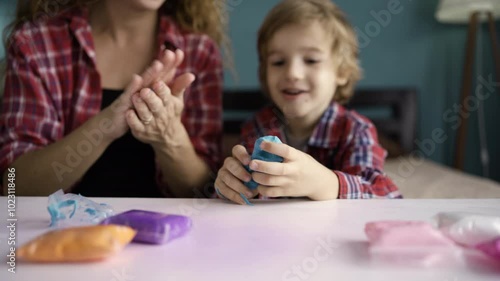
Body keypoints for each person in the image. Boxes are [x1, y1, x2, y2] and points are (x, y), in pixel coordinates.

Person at [0, 0, 228, 197]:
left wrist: (169, 137)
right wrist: (107, 125)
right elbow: (15, 187)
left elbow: (203, 192)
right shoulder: (36, 43)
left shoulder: (200, 51)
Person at [215, 0, 402, 204]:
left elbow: (388, 198)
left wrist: (325, 183)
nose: (292, 73)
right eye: (278, 62)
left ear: (342, 72)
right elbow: (251, 198)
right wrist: (234, 187)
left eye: (311, 60)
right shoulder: (258, 127)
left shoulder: (356, 131)